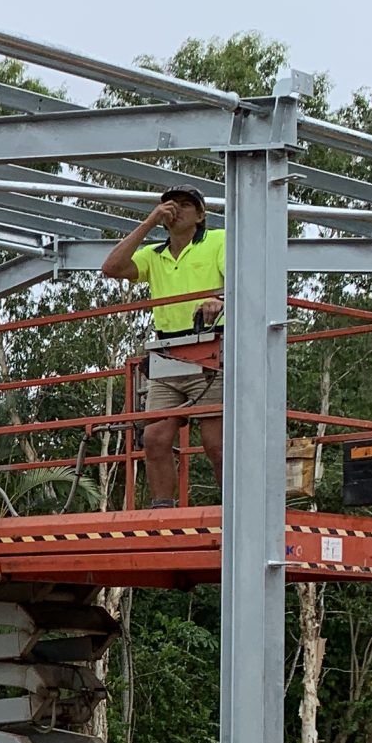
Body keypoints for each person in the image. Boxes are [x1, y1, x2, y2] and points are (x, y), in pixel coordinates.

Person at [100, 184, 226, 505]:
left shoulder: (219, 240)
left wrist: (219, 299)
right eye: (170, 204)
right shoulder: (154, 254)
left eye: (185, 205)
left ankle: (235, 511)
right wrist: (148, 222)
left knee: (216, 442)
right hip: (169, 352)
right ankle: (163, 516)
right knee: (154, 437)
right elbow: (111, 267)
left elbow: (245, 279)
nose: (176, 210)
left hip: (212, 347)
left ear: (200, 215)